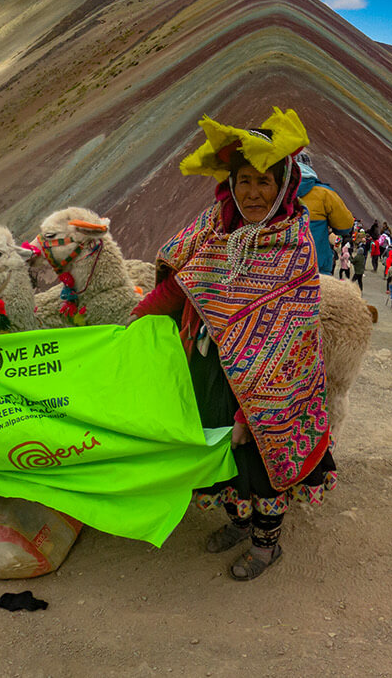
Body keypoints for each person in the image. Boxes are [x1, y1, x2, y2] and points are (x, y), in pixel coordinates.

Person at [131, 109, 335, 580]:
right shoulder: (215, 226)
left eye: (265, 182)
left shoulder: (292, 245)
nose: (253, 193)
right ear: (231, 182)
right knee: (220, 454)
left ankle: (267, 545)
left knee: (258, 460)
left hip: (265, 388)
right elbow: (181, 283)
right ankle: (239, 523)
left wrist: (251, 409)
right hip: (211, 372)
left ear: (285, 183)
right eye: (244, 180)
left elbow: (287, 338)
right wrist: (138, 319)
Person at [296, 150, 354, 276]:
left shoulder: (276, 192)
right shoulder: (324, 194)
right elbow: (345, 226)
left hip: (278, 266)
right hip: (315, 265)